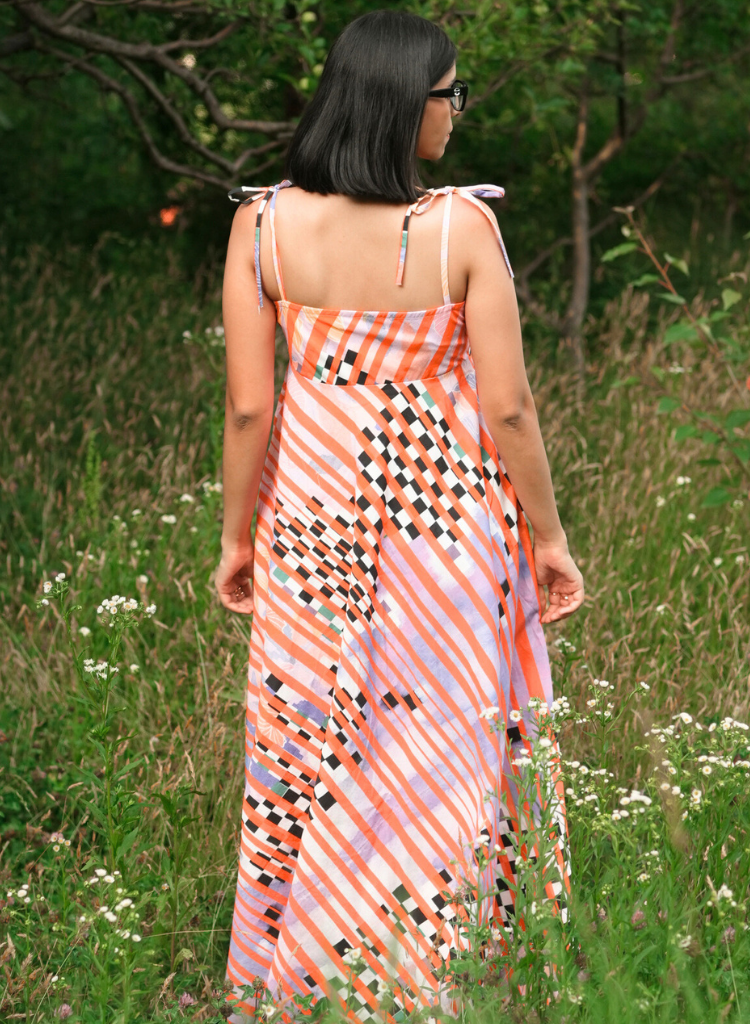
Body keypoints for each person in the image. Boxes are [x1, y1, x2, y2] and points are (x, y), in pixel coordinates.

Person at [216, 9, 584, 1022]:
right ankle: (433, 980)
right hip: (446, 527)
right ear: (399, 102)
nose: (458, 112)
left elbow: (250, 407)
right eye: (449, 94)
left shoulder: (260, 225)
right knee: (438, 751)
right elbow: (509, 407)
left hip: (310, 525)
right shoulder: (460, 229)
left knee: (311, 742)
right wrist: (550, 539)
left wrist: (236, 537)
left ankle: (307, 981)